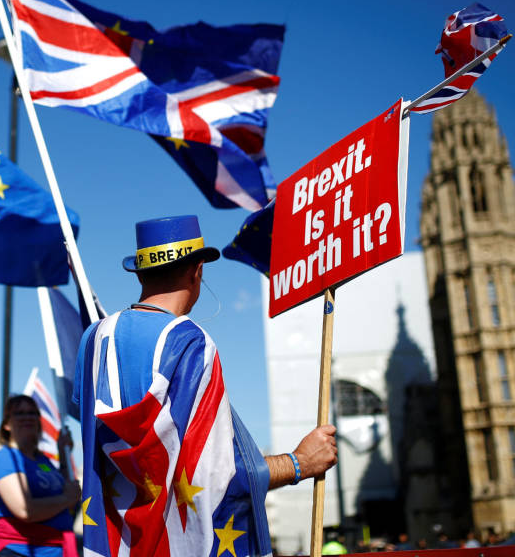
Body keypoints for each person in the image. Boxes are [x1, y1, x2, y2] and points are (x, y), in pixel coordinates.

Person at [74, 215, 339, 557]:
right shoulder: (190, 343)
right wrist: (300, 462)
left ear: (139, 273)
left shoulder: (94, 339)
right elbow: (217, 479)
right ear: (197, 270)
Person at [0, 394, 81, 557]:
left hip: (55, 548)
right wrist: (67, 499)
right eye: (19, 413)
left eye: (32, 412)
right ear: (7, 424)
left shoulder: (42, 460)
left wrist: (63, 455)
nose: (27, 417)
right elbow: (24, 510)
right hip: (20, 551)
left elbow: (65, 489)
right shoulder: (6, 457)